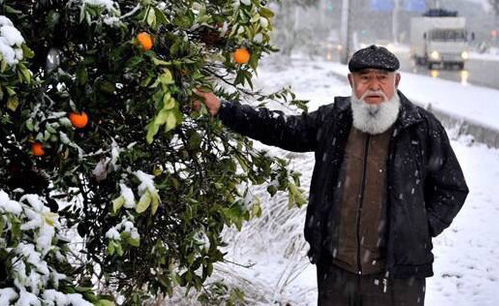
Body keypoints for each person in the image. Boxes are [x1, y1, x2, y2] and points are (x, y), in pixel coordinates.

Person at [194, 45, 469, 305]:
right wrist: (223, 109)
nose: (374, 86)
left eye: (382, 78)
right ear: (352, 82)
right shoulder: (334, 121)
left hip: (398, 277)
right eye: (365, 78)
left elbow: (452, 188)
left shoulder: (420, 128)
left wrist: (420, 228)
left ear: (395, 82)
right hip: (337, 273)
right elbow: (281, 128)